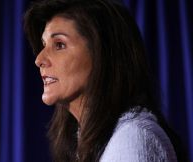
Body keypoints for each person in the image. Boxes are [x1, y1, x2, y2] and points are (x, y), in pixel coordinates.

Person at [24, 0, 185, 161]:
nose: (39, 59)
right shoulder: (91, 141)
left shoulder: (132, 139)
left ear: (102, 54)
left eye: (59, 45)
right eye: (44, 45)